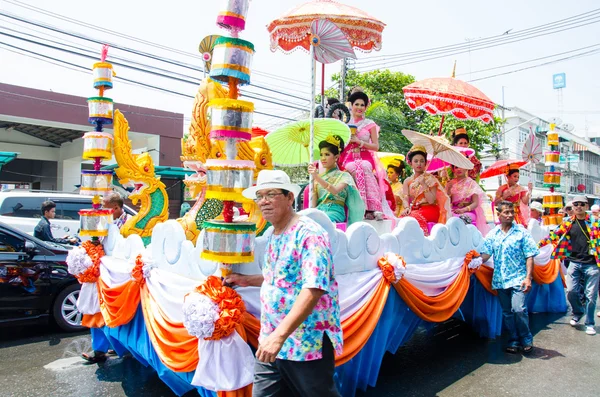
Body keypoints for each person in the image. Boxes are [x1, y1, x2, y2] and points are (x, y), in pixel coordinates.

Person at [227, 170, 343, 396]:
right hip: (271, 339)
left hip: (305, 342)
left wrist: (279, 337)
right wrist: (246, 280)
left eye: (271, 194)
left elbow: (313, 288)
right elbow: (281, 278)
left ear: (290, 197)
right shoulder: (273, 233)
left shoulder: (309, 234)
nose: (263, 201)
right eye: (259, 195)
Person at [479, 201, 539, 354]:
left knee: (519, 309)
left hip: (519, 278)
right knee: (507, 312)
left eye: (512, 212)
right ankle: (513, 339)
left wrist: (528, 278)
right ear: (498, 214)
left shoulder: (522, 232)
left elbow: (530, 256)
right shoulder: (493, 234)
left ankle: (526, 337)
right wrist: (475, 261)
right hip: (500, 280)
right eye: (506, 212)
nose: (510, 215)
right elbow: (486, 254)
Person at [539, 195, 600, 335]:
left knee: (591, 295)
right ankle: (578, 312)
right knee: (571, 292)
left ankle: (589, 323)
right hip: (574, 262)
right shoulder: (567, 223)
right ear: (572, 207)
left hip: (592, 264)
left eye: (582, 204)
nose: (579, 206)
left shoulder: (595, 223)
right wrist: (537, 246)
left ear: (587, 207)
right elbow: (553, 236)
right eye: (576, 204)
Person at [337, 90, 388, 220]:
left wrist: (360, 142)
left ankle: (373, 207)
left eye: (362, 105)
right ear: (351, 106)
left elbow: (376, 146)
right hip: (348, 157)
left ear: (365, 107)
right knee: (352, 167)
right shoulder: (343, 124)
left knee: (363, 166)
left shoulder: (369, 124)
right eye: (357, 104)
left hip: (365, 156)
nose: (359, 108)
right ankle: (359, 208)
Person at [307, 135, 365, 225]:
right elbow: (314, 204)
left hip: (335, 212)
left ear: (336, 157)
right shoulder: (318, 178)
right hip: (319, 211)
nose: (323, 158)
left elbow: (334, 190)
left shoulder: (345, 176)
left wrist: (316, 177)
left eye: (327, 154)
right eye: (321, 155)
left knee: (322, 221)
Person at [401, 145, 450, 236]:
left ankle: (423, 239)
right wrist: (407, 207)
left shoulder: (430, 179)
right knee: (401, 218)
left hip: (430, 209)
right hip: (414, 209)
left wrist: (424, 184)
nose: (419, 163)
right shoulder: (407, 181)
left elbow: (431, 200)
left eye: (422, 161)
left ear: (425, 163)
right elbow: (405, 197)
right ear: (411, 163)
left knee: (412, 218)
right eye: (416, 161)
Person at [445, 164, 489, 234]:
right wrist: (448, 189)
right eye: (456, 167)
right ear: (453, 170)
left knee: (462, 219)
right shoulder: (450, 184)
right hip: (454, 210)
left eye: (461, 166)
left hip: (468, 211)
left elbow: (475, 203)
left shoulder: (472, 183)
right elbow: (446, 202)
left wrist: (463, 210)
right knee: (447, 219)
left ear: (466, 168)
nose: (459, 169)